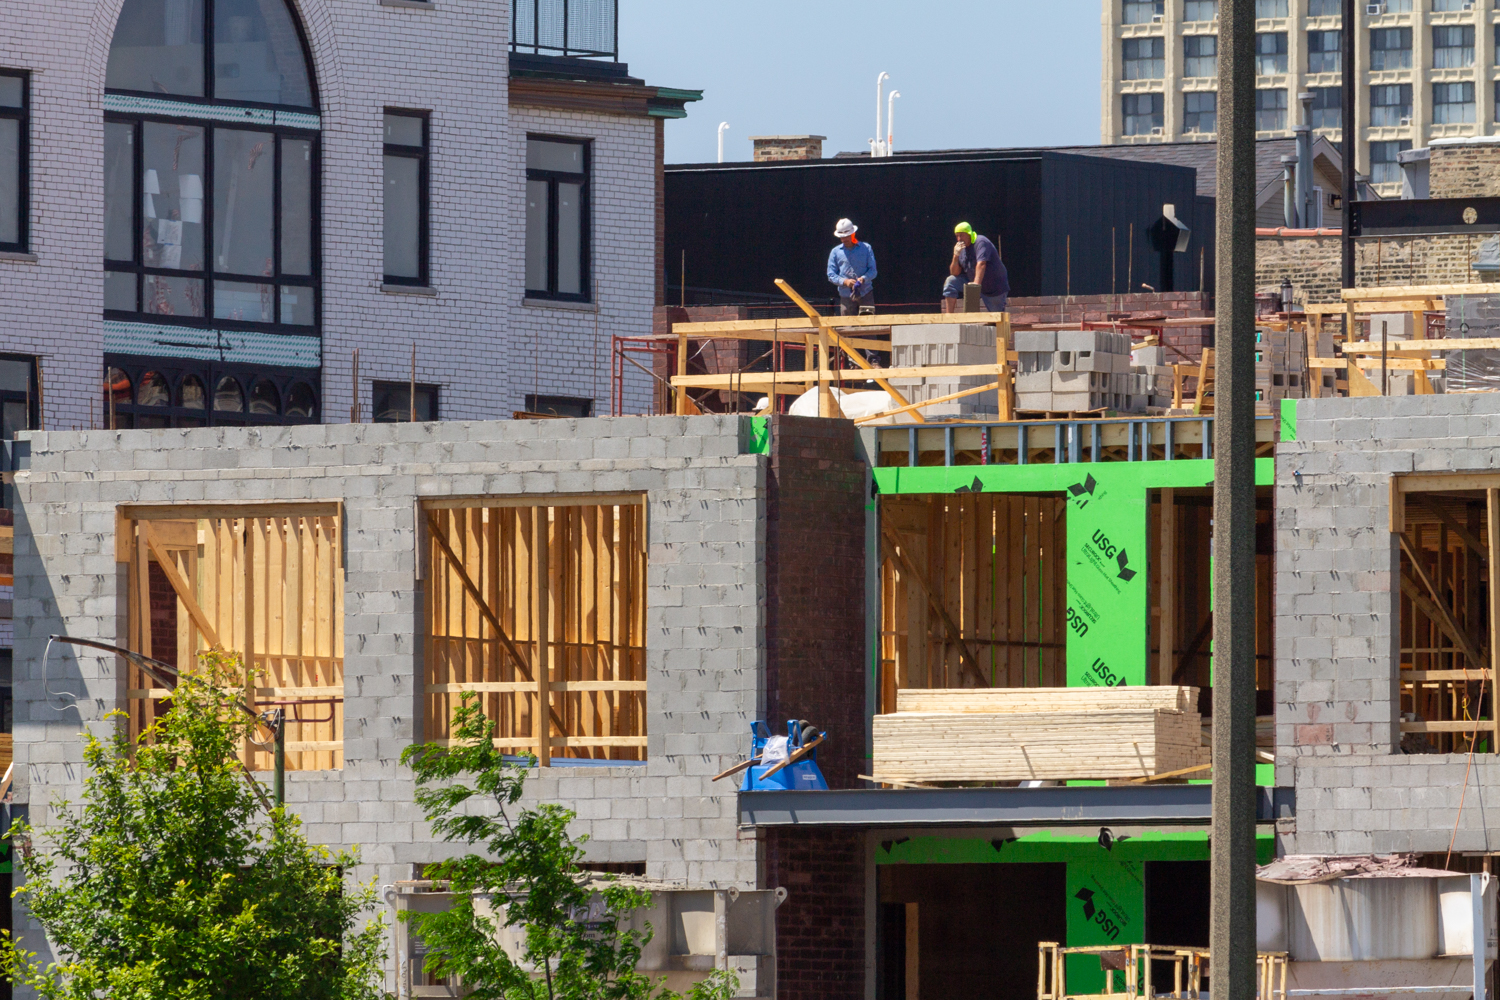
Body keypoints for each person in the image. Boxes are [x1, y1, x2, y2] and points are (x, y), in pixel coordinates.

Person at [942, 222, 1008, 313]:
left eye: (961, 235)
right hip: (972, 280)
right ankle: (948, 318)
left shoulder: (980, 242)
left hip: (993, 287)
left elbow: (981, 264)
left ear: (969, 234)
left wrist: (975, 286)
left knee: (996, 321)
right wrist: (955, 256)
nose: (959, 239)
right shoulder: (961, 248)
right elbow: (955, 273)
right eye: (957, 236)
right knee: (950, 281)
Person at [827, 218, 877, 315]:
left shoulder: (866, 248)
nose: (844, 239)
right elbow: (831, 274)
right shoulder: (835, 252)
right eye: (842, 237)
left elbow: (873, 270)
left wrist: (863, 279)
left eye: (847, 236)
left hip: (866, 294)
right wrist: (845, 282)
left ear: (853, 234)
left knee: (869, 326)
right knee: (847, 327)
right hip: (846, 296)